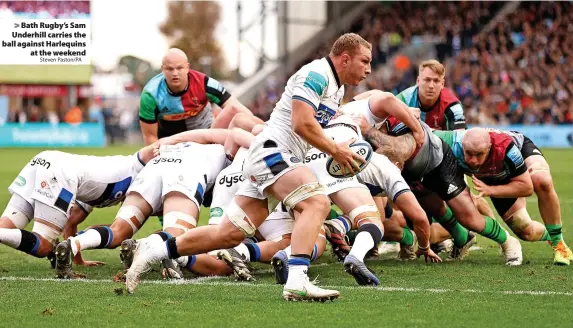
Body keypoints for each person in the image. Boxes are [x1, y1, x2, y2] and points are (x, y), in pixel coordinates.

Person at [125, 33, 406, 301]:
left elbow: (312, 125)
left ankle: (153, 249)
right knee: (317, 204)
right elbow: (301, 122)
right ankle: (297, 282)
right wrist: (336, 150)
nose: (369, 69)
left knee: (228, 235)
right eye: (365, 61)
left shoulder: (337, 87)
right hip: (273, 152)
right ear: (345, 59)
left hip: (275, 156)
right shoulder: (316, 74)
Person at [0, 144, 156, 274]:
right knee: (44, 246)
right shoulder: (136, 182)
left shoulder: (107, 178)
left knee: (5, 227)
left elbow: (71, 221)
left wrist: (77, 258)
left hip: (43, 160)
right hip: (59, 172)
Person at [434, 128, 573, 265]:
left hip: (516, 161)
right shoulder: (449, 141)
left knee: (541, 180)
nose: (473, 161)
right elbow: (425, 133)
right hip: (492, 177)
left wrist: (490, 190)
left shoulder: (507, 149)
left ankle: (559, 243)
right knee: (526, 232)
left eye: (479, 154)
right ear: (462, 145)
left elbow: (527, 187)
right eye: (469, 154)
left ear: (489, 148)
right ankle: (551, 236)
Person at [138, 48, 259, 146]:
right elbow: (150, 137)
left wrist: (261, 126)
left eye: (179, 68)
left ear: (187, 67)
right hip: (169, 142)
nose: (175, 73)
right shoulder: (150, 94)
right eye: (170, 69)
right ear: (162, 69)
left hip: (205, 136)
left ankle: (264, 135)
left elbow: (236, 107)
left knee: (235, 111)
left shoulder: (205, 84)